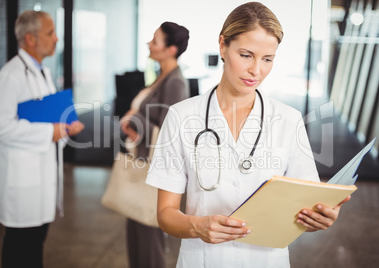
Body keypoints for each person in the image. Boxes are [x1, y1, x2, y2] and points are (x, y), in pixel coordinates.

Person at [146, 2, 350, 267]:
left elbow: (303, 210)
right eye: (246, 55)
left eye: (267, 59)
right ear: (222, 45)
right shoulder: (181, 116)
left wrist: (318, 219)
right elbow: (165, 214)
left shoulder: (288, 120)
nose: (256, 70)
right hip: (205, 260)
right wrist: (197, 226)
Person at [0, 10, 84, 268]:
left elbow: (51, 119)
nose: (56, 39)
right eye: (50, 33)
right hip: (21, 182)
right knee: (19, 250)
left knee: (34, 246)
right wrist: (50, 132)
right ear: (31, 39)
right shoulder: (10, 75)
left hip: (41, 178)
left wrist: (65, 129)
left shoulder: (42, 72)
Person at [120, 21, 190, 268]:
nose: (149, 43)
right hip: (144, 165)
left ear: (171, 49)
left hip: (154, 171)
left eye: (156, 40)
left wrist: (133, 118)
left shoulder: (175, 83)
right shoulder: (162, 77)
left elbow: (170, 134)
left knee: (149, 236)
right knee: (138, 232)